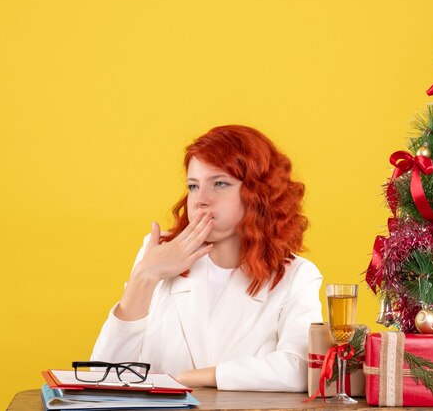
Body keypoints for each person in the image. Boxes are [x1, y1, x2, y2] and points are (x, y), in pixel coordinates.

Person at [91, 125, 323, 392]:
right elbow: (103, 376)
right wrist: (144, 277)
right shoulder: (157, 252)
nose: (200, 200)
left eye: (220, 183)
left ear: (259, 194)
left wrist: (192, 378)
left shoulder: (297, 275)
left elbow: (301, 368)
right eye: (193, 186)